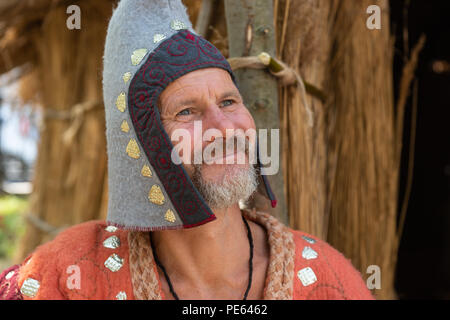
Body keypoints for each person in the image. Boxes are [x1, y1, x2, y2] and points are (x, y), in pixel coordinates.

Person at [0, 0, 373, 300]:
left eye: (229, 102)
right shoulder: (69, 278)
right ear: (144, 144)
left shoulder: (325, 280)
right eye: (187, 111)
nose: (224, 129)